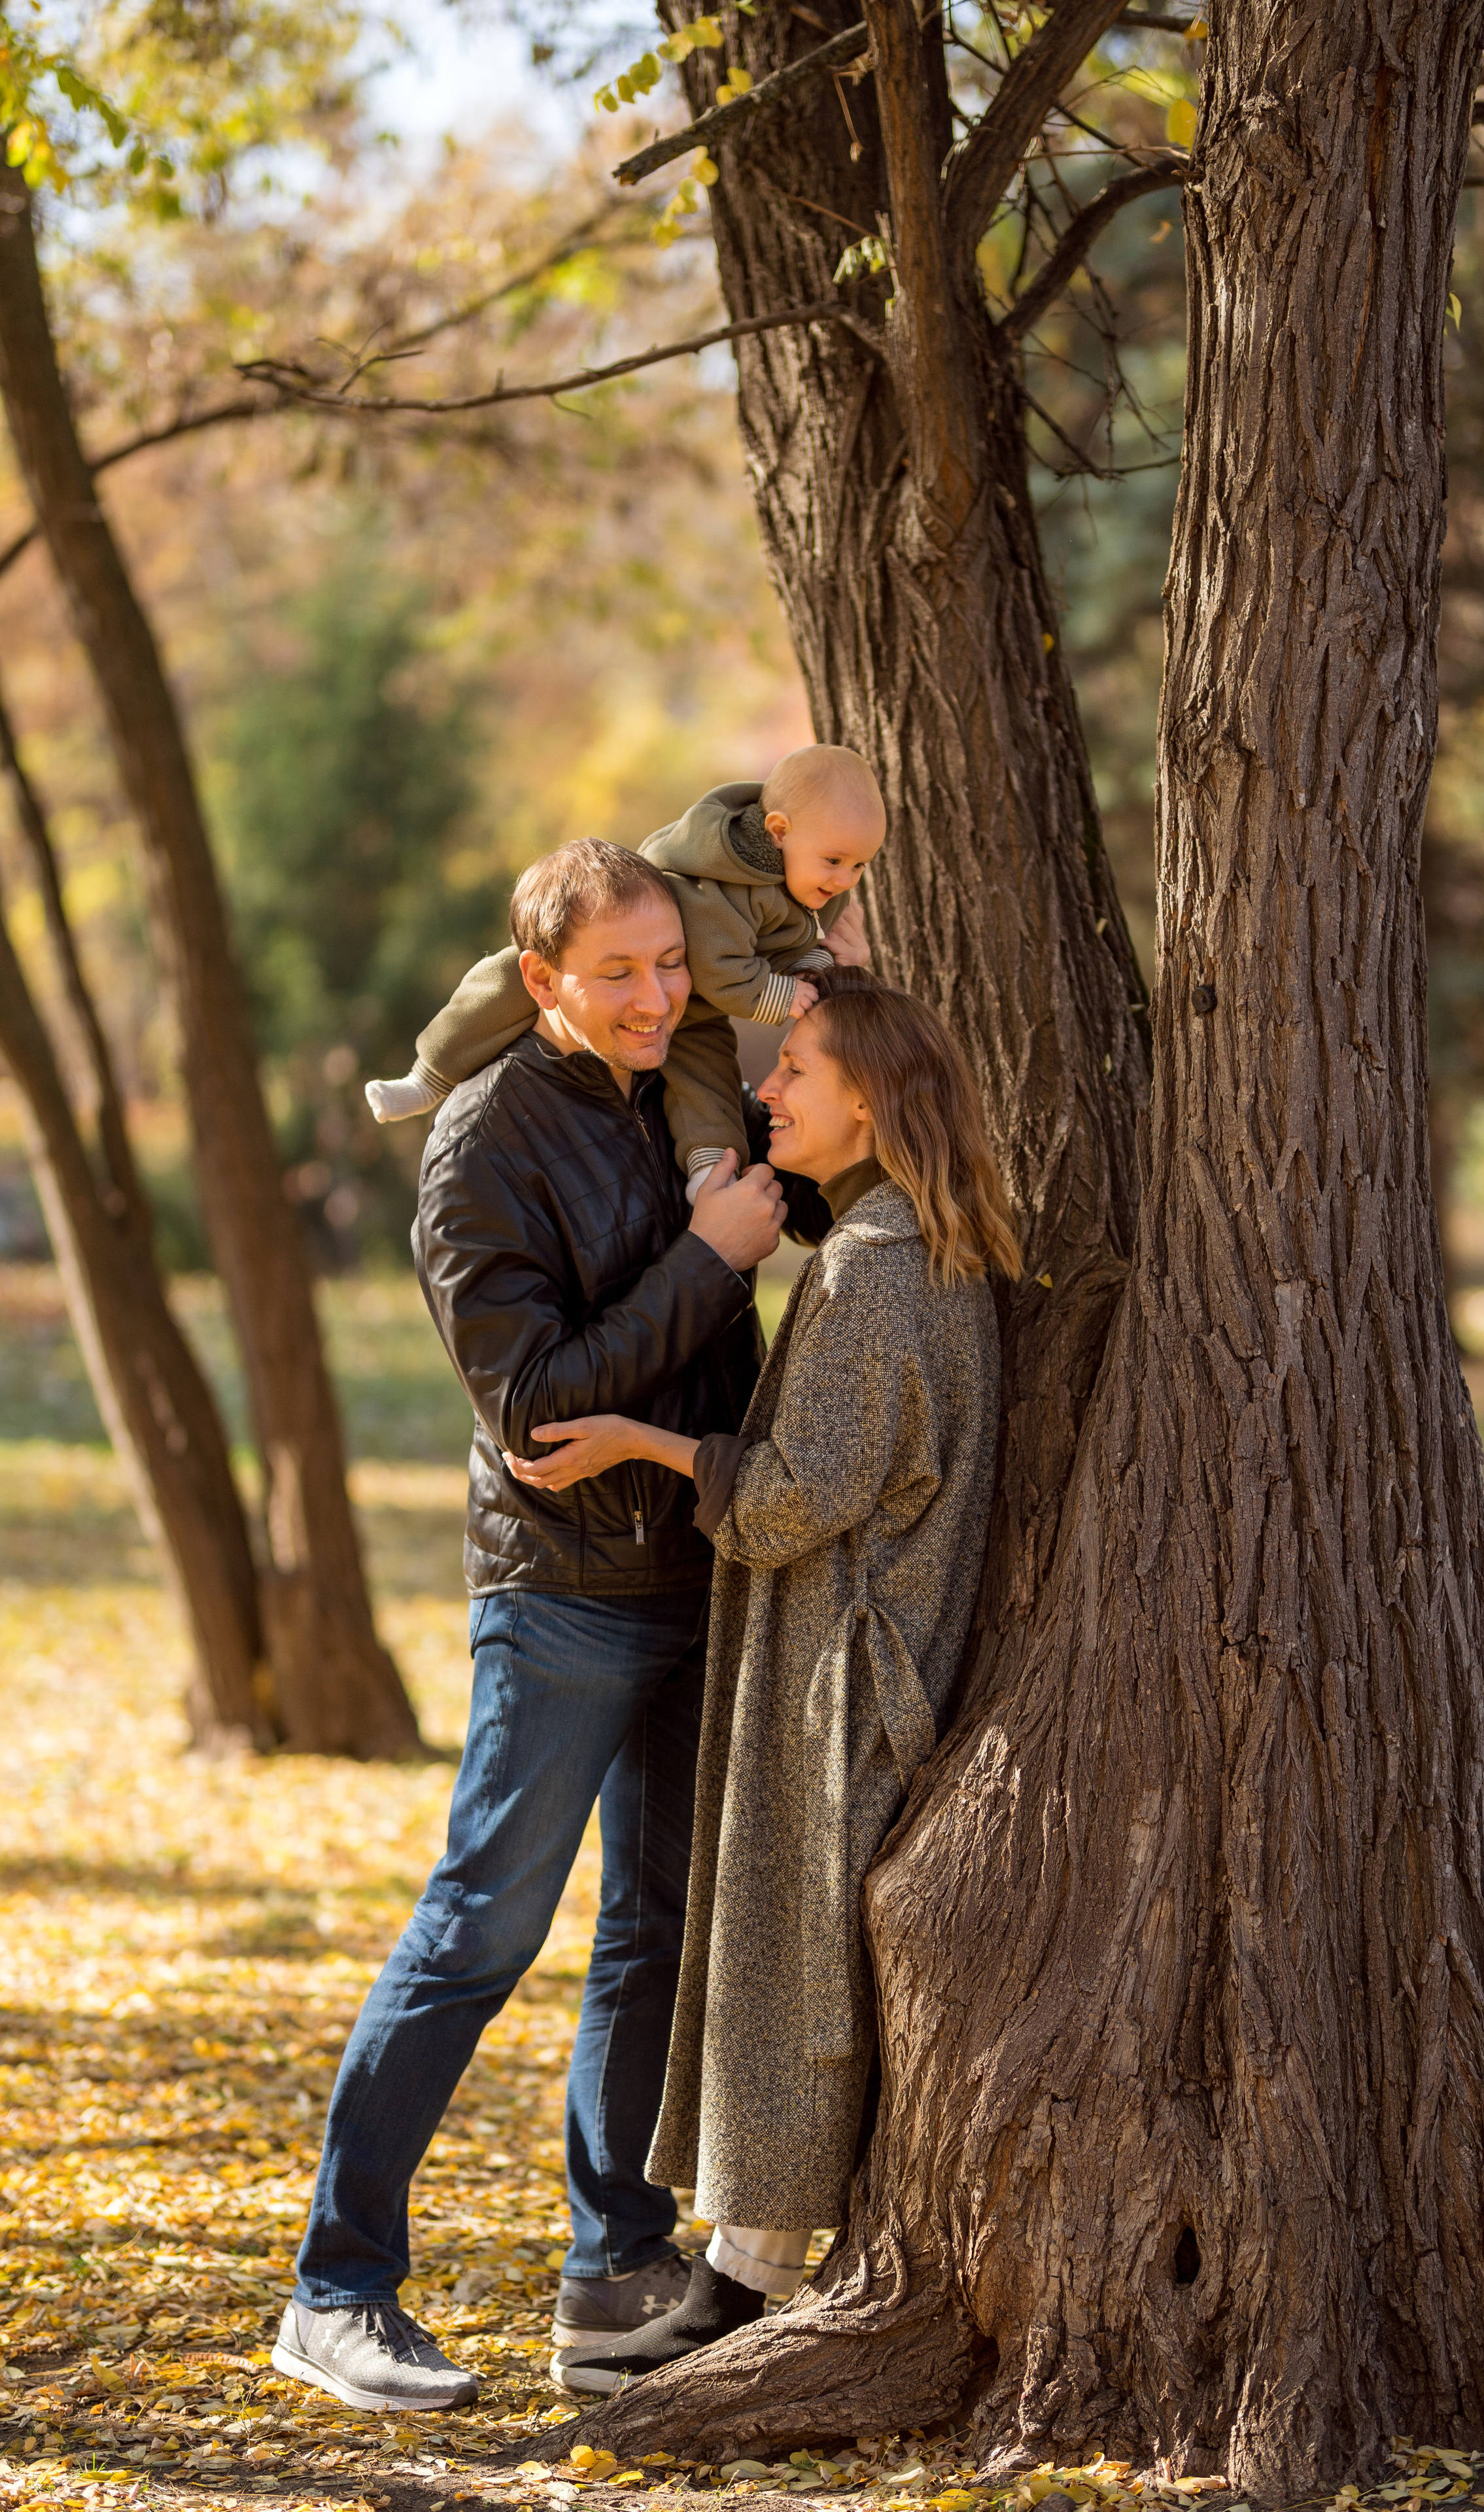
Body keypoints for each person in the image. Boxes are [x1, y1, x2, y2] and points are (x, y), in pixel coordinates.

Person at [271, 839, 828, 2415]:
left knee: (655, 1932)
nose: (654, 997)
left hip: (699, 1572)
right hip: (564, 1587)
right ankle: (336, 2289)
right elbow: (533, 1407)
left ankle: (613, 2271)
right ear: (540, 983)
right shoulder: (482, 1142)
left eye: (670, 963)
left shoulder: (682, 1091)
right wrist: (709, 1265)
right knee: (480, 1928)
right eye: (616, 973)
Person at [498, 971, 1020, 2390]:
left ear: (874, 1102)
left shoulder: (872, 1270)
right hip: (861, 1661)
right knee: (791, 1969)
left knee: (792, 1977)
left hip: (843, 1681)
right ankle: (748, 2267)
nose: (767, 1089)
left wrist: (639, 1442)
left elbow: (793, 1499)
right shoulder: (908, 1246)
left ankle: (743, 2284)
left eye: (796, 1068)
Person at [364, 744, 885, 1199]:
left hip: (704, 1012)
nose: (846, 879)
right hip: (725, 985)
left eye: (860, 866)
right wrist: (711, 1252)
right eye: (618, 975)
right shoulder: (483, 1143)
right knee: (496, 984)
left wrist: (837, 971)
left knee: (709, 1079)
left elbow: (829, 1204)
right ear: (779, 832)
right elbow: (723, 968)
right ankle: (429, 1075)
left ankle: (710, 1167)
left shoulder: (818, 887)